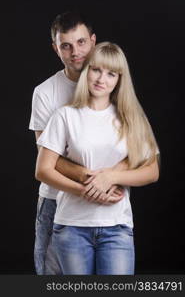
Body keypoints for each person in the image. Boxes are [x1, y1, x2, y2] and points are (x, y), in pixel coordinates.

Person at [35, 41, 160, 275]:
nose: (102, 79)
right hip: (72, 226)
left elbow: (152, 171)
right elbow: (43, 170)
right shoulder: (65, 116)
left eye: (111, 73)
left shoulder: (131, 118)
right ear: (87, 71)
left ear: (119, 79)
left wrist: (111, 176)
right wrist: (83, 190)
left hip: (117, 228)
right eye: (96, 70)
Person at [29, 12, 125, 275]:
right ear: (55, 48)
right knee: (54, 280)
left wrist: (112, 178)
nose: (75, 52)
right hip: (56, 199)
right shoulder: (45, 92)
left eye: (81, 42)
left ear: (93, 41)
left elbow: (135, 146)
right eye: (66, 46)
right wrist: (92, 179)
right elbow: (47, 156)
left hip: (108, 200)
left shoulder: (114, 86)